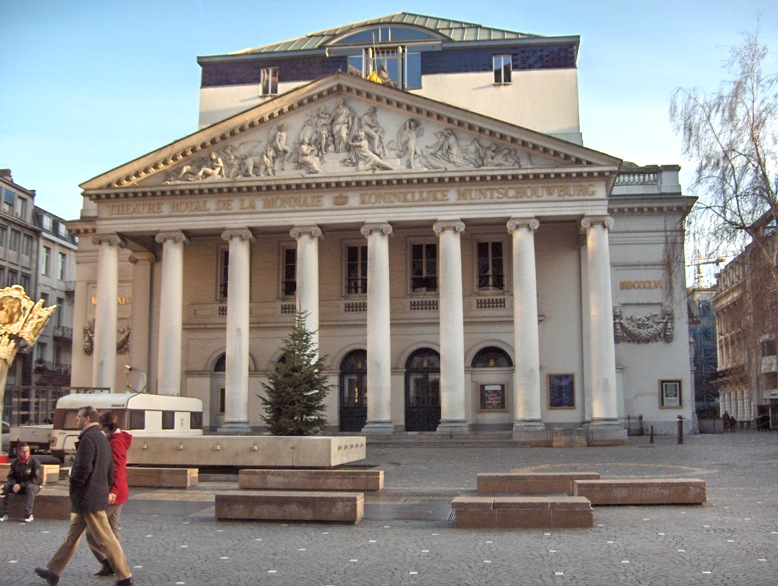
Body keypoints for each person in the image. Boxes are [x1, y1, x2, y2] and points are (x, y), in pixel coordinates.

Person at [35, 406, 133, 586]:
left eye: (79, 417)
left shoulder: (89, 439)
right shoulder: (102, 439)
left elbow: (83, 468)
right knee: (73, 537)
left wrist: (75, 484)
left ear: (87, 419)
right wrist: (106, 487)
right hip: (92, 495)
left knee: (105, 538)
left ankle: (124, 576)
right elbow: (111, 469)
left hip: (89, 497)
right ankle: (53, 572)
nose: (76, 420)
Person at [86, 411, 132, 577]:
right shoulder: (117, 440)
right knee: (112, 531)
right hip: (119, 491)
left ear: (106, 426)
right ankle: (117, 565)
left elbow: (117, 470)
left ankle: (110, 563)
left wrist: (113, 491)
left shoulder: (115, 443)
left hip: (114, 494)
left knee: (93, 532)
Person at [0, 442, 42, 522]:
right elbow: (10, 476)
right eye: (23, 451)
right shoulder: (15, 462)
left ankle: (28, 514)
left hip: (32, 485)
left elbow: (35, 479)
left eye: (27, 451)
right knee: (4, 487)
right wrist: (14, 484)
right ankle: (2, 513)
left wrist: (21, 485)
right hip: (17, 485)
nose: (25, 453)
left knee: (30, 488)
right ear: (19, 452)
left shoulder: (34, 462)